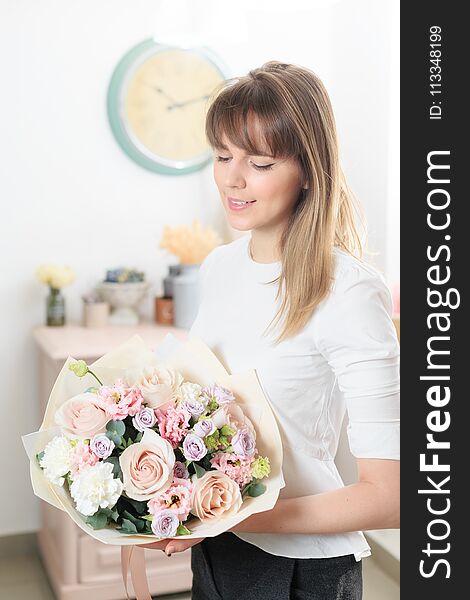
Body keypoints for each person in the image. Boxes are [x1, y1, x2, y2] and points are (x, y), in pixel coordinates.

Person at [143, 61, 400, 600]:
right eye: (221, 156)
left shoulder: (348, 291)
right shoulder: (218, 267)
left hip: (299, 570)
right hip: (216, 550)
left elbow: (391, 498)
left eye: (259, 162)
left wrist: (226, 515)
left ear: (309, 170)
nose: (232, 179)